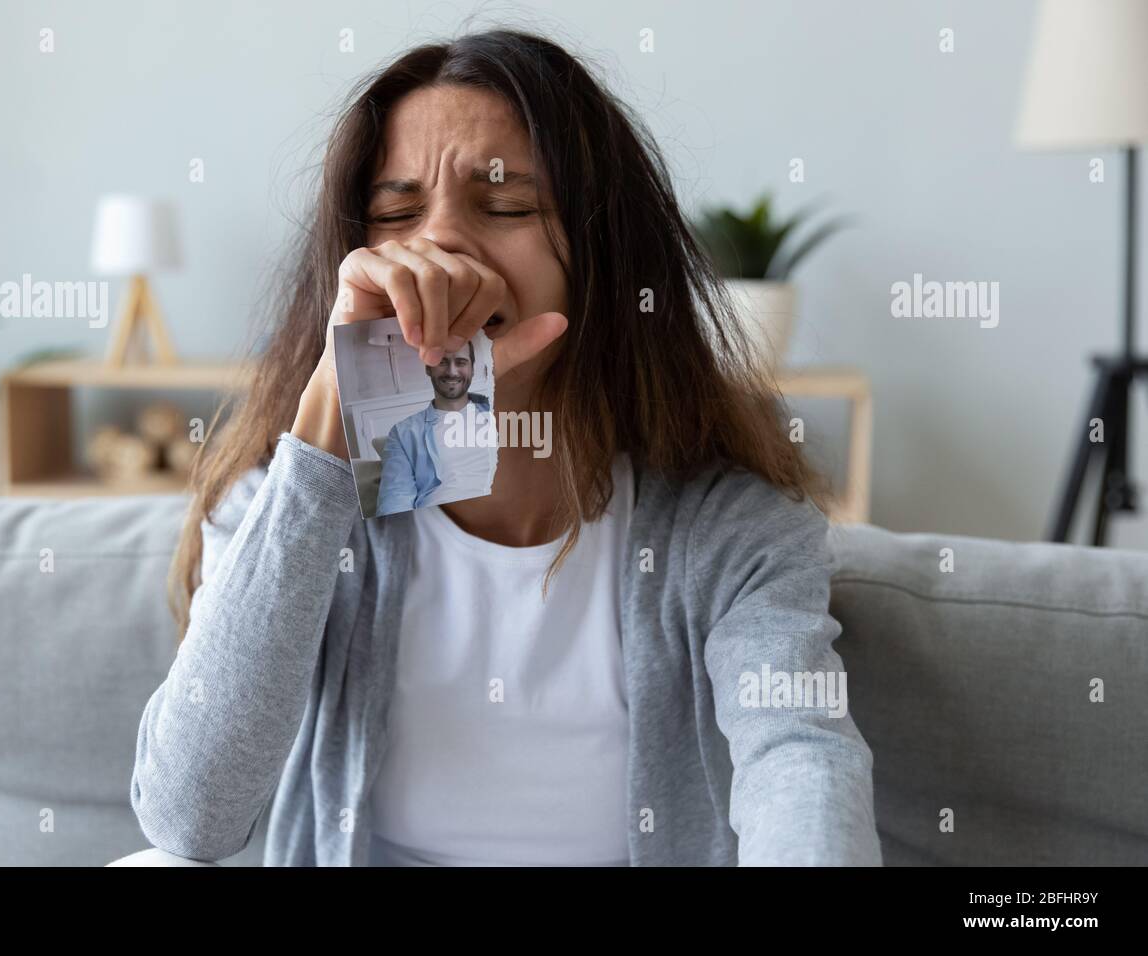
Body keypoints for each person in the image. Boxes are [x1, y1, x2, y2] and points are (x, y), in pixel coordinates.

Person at [132, 29, 881, 867]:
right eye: (396, 213)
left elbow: (802, 760)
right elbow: (190, 818)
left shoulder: (728, 532)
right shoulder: (297, 506)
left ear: (599, 258)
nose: (439, 246)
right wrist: (333, 423)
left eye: (507, 206)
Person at [376, 339, 497, 515]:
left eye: (461, 362)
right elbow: (395, 499)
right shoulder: (404, 433)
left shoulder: (501, 411)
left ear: (472, 368)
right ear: (428, 368)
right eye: (442, 362)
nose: (452, 372)